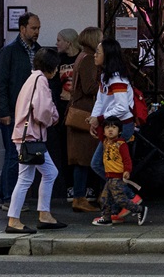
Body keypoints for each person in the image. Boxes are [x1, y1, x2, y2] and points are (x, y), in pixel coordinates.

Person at [6, 48, 68, 234]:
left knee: (48, 172)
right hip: (31, 137)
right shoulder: (41, 81)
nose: (57, 70)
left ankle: (44, 214)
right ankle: (14, 219)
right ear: (51, 66)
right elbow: (42, 111)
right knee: (27, 178)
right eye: (56, 66)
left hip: (26, 136)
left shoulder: (32, 79)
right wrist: (53, 118)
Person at [0, 12, 41, 209]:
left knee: (26, 155)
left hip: (31, 112)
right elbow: (1, 83)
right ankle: (7, 198)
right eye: (33, 28)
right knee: (14, 155)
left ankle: (16, 197)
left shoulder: (38, 51)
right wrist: (4, 111)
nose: (37, 32)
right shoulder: (10, 51)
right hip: (13, 111)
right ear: (22, 29)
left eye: (38, 28)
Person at [66, 25, 103, 213]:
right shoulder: (89, 59)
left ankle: (81, 196)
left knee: (82, 158)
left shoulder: (81, 56)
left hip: (78, 110)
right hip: (85, 113)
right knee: (84, 158)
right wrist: (105, 86)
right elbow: (89, 88)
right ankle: (80, 197)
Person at [89, 38, 135, 184]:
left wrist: (99, 118)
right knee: (106, 165)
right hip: (112, 125)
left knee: (101, 164)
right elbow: (100, 100)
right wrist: (94, 119)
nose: (94, 55)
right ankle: (124, 197)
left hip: (121, 126)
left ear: (107, 55)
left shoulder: (116, 79)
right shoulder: (105, 76)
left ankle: (128, 197)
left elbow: (122, 107)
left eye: (98, 52)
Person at [91, 117, 146, 227]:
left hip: (117, 177)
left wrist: (127, 170)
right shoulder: (105, 141)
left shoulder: (121, 144)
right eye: (107, 127)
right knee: (104, 198)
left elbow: (127, 159)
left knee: (120, 199)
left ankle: (139, 209)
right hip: (109, 177)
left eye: (114, 127)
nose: (110, 130)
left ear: (119, 131)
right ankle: (106, 218)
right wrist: (96, 120)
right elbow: (99, 131)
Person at [48, 27, 80, 199]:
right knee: (64, 148)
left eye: (59, 40)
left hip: (77, 107)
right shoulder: (58, 60)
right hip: (62, 106)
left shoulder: (82, 58)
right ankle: (69, 186)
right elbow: (52, 83)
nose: (56, 43)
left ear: (68, 42)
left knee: (79, 148)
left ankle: (83, 186)